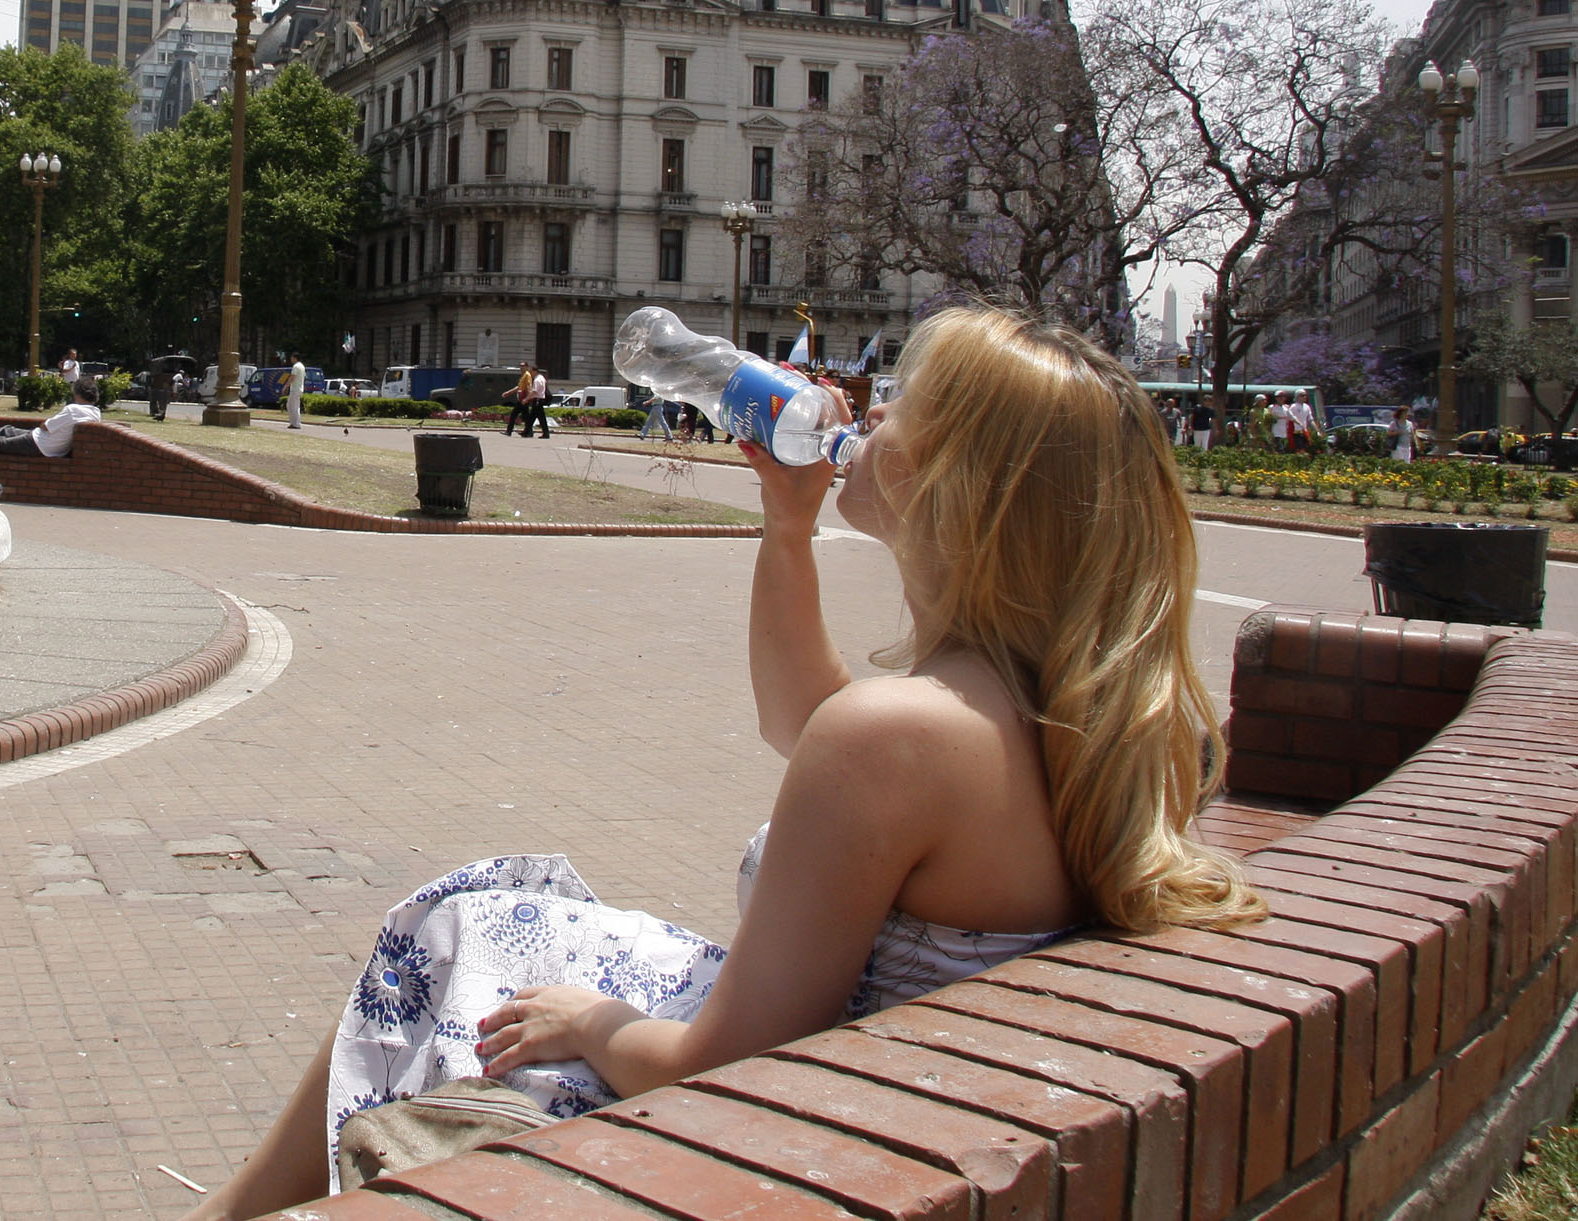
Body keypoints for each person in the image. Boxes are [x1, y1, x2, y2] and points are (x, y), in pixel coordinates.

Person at [176, 305, 1263, 1218]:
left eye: (898, 408)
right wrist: (785, 529)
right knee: (486, 911)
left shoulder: (902, 737)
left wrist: (588, 1024)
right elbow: (803, 721)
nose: (864, 415)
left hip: (787, 1119)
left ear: (956, 485)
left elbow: (725, 1062)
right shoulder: (1054, 713)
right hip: (888, 1082)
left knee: (461, 929)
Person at [0, 377, 102, 458]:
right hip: (48, 444)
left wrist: (46, 423)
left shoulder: (72, 409)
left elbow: (46, 427)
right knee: (7, 430)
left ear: (77, 393)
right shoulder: (96, 413)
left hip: (40, 444)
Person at [504, 362, 536, 438]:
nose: (521, 367)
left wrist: (527, 398)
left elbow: (529, 386)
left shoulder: (527, 375)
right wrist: (509, 392)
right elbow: (519, 387)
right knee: (526, 416)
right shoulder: (523, 376)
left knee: (514, 414)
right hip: (522, 399)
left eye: (523, 366)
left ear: (527, 367)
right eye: (520, 366)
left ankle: (509, 431)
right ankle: (529, 432)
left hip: (523, 399)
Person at [283, 355, 306, 431]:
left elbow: (292, 377)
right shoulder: (302, 366)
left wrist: (285, 386)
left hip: (295, 389)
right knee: (292, 405)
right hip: (299, 388)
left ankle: (295, 423)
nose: (291, 359)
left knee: (293, 406)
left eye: (292, 358)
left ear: (295, 358)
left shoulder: (296, 367)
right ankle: (294, 423)